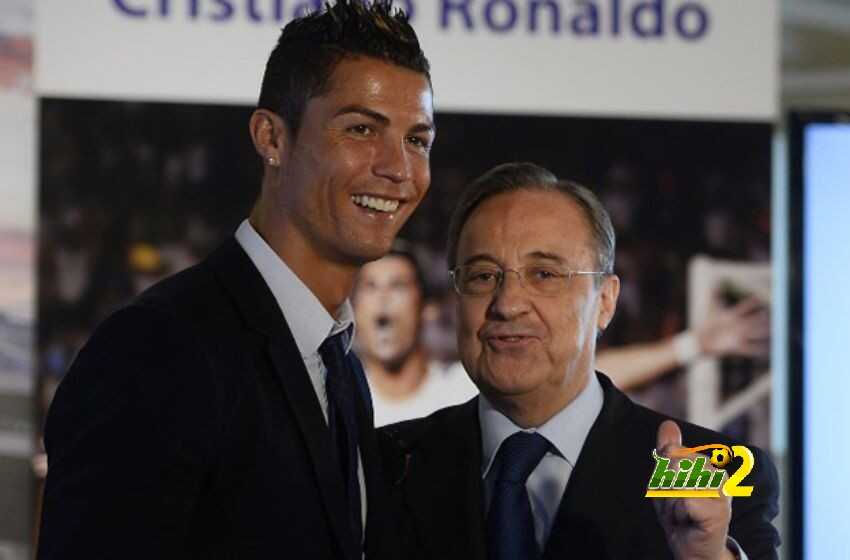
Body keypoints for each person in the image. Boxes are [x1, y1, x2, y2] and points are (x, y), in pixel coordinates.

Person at [37, 2, 435, 558]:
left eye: (417, 140)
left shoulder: (339, 361)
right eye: (362, 129)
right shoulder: (157, 349)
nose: (398, 167)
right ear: (271, 138)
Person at [379, 163, 779, 560]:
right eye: (483, 276)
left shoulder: (709, 475)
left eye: (544, 274)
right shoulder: (384, 464)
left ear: (605, 300)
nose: (507, 303)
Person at [352, 242, 478, 426]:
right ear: (354, 310)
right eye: (370, 286)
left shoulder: (466, 392)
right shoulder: (338, 406)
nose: (382, 297)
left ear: (427, 308)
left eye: (398, 285)